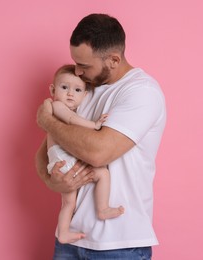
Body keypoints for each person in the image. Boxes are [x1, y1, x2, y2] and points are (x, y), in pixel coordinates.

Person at [36, 13, 166, 259]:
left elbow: (99, 153)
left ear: (113, 60)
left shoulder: (141, 92)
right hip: (69, 238)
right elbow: (43, 154)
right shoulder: (81, 90)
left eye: (84, 65)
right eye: (75, 63)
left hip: (119, 244)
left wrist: (47, 120)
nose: (77, 71)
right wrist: (51, 180)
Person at [47, 64, 124, 244]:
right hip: (63, 160)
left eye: (77, 90)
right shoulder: (57, 106)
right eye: (64, 87)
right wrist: (95, 126)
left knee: (68, 203)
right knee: (102, 173)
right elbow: (71, 119)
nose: (70, 94)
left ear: (85, 95)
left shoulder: (71, 109)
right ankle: (102, 208)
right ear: (53, 89)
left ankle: (63, 232)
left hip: (64, 160)